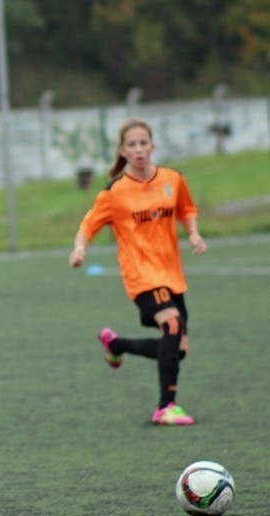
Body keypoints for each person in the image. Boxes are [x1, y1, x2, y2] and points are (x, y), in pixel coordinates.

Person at [69, 118, 206, 425]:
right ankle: (165, 407)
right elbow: (87, 226)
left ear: (152, 146)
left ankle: (116, 345)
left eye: (143, 142)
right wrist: (79, 249)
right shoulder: (114, 192)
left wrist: (193, 233)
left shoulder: (172, 179)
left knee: (178, 349)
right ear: (123, 151)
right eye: (132, 144)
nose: (139, 149)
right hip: (140, 275)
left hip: (171, 274)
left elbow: (187, 209)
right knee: (172, 324)